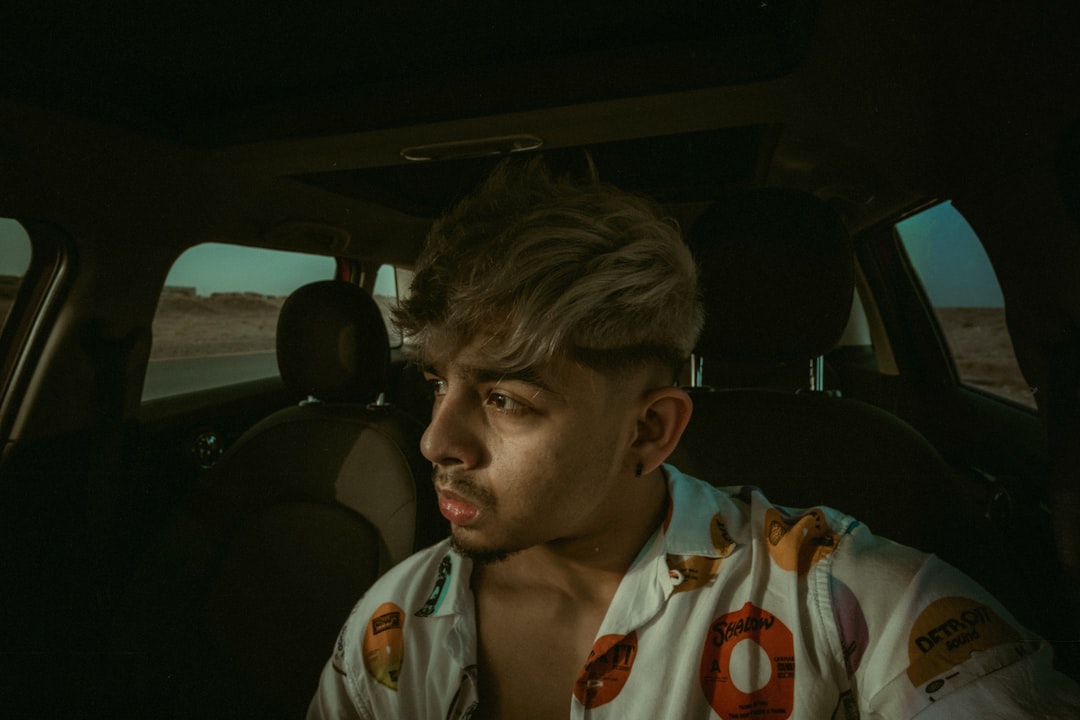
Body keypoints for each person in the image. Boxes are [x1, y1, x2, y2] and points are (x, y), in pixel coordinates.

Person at [307, 158, 1080, 719]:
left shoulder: (842, 602)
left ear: (649, 430)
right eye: (440, 384)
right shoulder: (393, 621)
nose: (437, 441)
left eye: (505, 399)